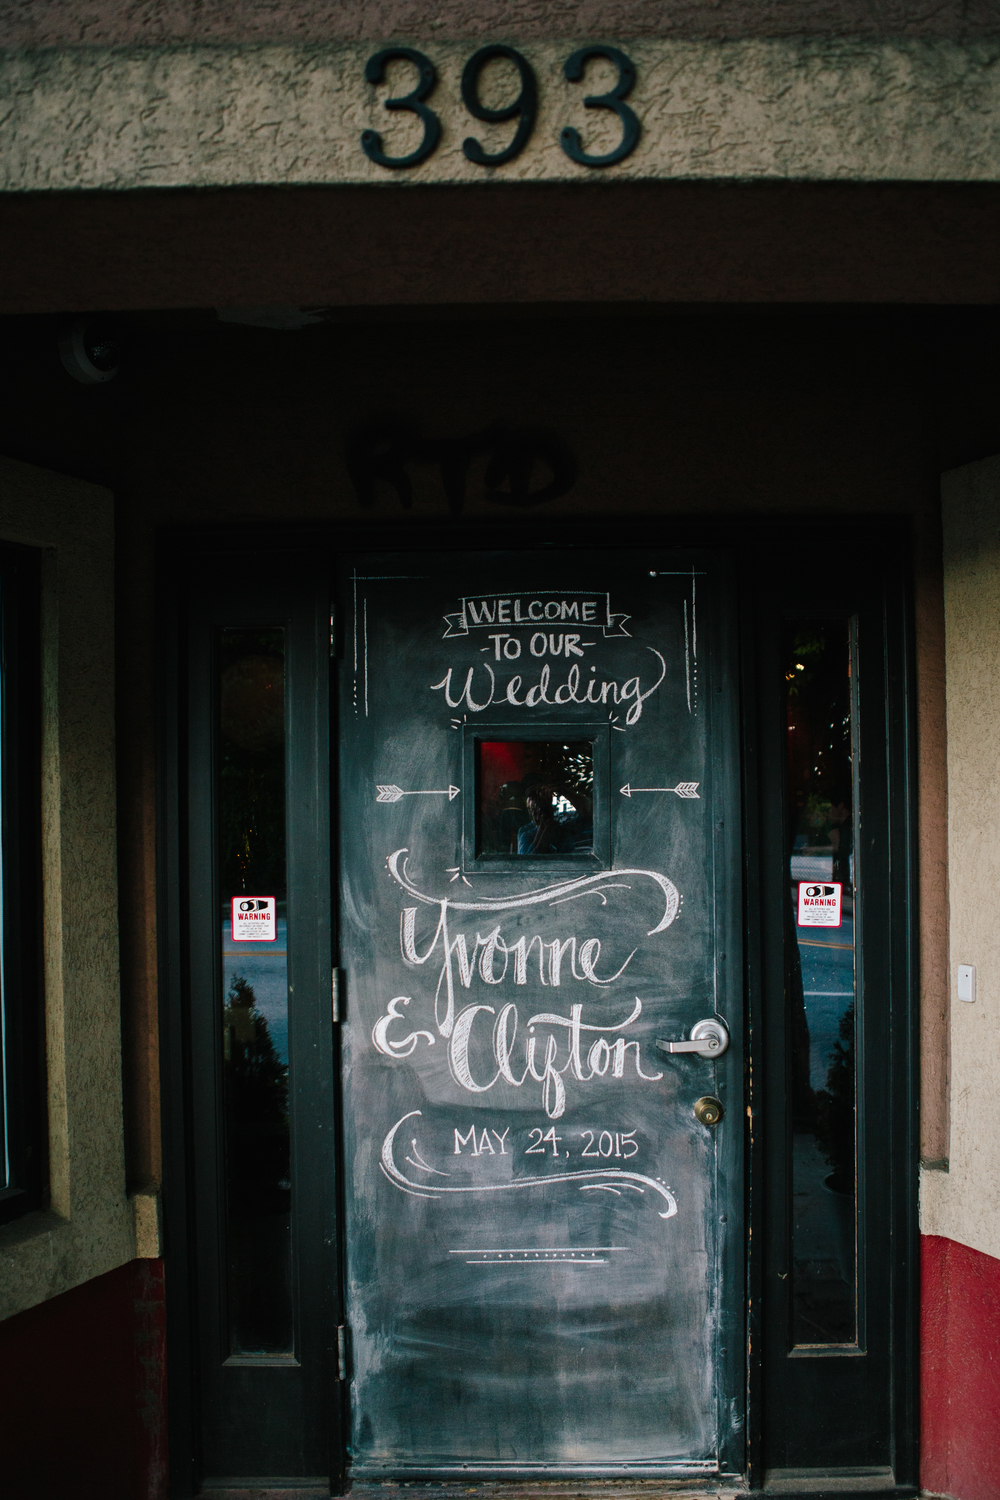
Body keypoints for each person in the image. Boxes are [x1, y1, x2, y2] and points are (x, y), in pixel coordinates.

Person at [517, 773, 593, 855]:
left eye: (541, 805)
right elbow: (529, 859)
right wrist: (544, 828)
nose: (536, 813)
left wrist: (564, 791)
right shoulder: (526, 832)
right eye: (532, 809)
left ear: (551, 807)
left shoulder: (564, 828)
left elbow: (589, 813)